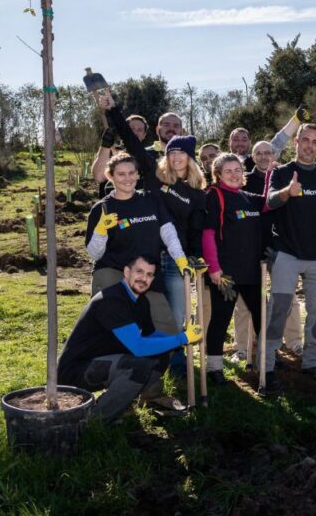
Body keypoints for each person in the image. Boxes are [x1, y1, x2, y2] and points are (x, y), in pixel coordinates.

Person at [100, 93, 207, 372]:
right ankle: (140, 360)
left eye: (182, 153)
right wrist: (113, 110)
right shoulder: (153, 174)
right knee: (141, 308)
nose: (176, 157)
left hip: (174, 258)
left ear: (190, 158)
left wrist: (194, 256)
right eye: (172, 152)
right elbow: (130, 140)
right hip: (145, 253)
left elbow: (196, 229)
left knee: (176, 312)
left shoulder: (197, 193)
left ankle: (177, 362)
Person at [57, 255, 203, 423]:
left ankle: (135, 398)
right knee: (138, 366)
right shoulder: (111, 300)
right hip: (76, 371)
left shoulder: (141, 302)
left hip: (105, 362)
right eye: (139, 272)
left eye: (149, 275)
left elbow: (149, 335)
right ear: (126, 272)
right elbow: (138, 347)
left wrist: (181, 336)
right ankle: (95, 420)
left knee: (162, 351)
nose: (144, 278)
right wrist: (182, 338)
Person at [261, 123, 316, 394]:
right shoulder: (282, 172)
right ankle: (267, 366)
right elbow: (270, 202)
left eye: (315, 142)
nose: (309, 146)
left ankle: (313, 362)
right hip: (288, 253)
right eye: (305, 140)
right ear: (296, 142)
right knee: (279, 310)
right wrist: (287, 191)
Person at [234, 109, 308, 363]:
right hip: (249, 248)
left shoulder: (285, 176)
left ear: (275, 155)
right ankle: (243, 347)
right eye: (259, 153)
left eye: (268, 152)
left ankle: (294, 341)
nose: (264, 156)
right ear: (252, 157)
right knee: (245, 300)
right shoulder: (243, 181)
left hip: (280, 246)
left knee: (286, 297)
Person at [85, 153, 192, 301]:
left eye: (131, 173)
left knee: (162, 316)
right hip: (113, 272)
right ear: (110, 176)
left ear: (137, 175)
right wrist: (101, 231)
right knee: (114, 314)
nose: (127, 178)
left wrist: (180, 259)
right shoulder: (102, 209)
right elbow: (95, 254)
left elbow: (168, 233)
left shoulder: (151, 200)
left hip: (147, 274)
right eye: (121, 174)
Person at [202, 153, 265, 385]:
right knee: (221, 318)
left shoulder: (248, 198)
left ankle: (265, 362)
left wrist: (274, 175)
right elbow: (208, 234)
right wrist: (213, 268)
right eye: (228, 171)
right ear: (218, 174)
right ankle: (214, 367)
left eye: (237, 170)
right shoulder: (214, 195)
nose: (234, 174)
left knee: (261, 315)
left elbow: (272, 201)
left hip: (252, 271)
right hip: (225, 273)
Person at [91, 113, 147, 187]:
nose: (135, 132)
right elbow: (99, 178)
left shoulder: (147, 157)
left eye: (140, 130)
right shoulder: (109, 152)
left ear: (144, 135)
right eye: (131, 129)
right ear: (124, 131)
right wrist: (105, 145)